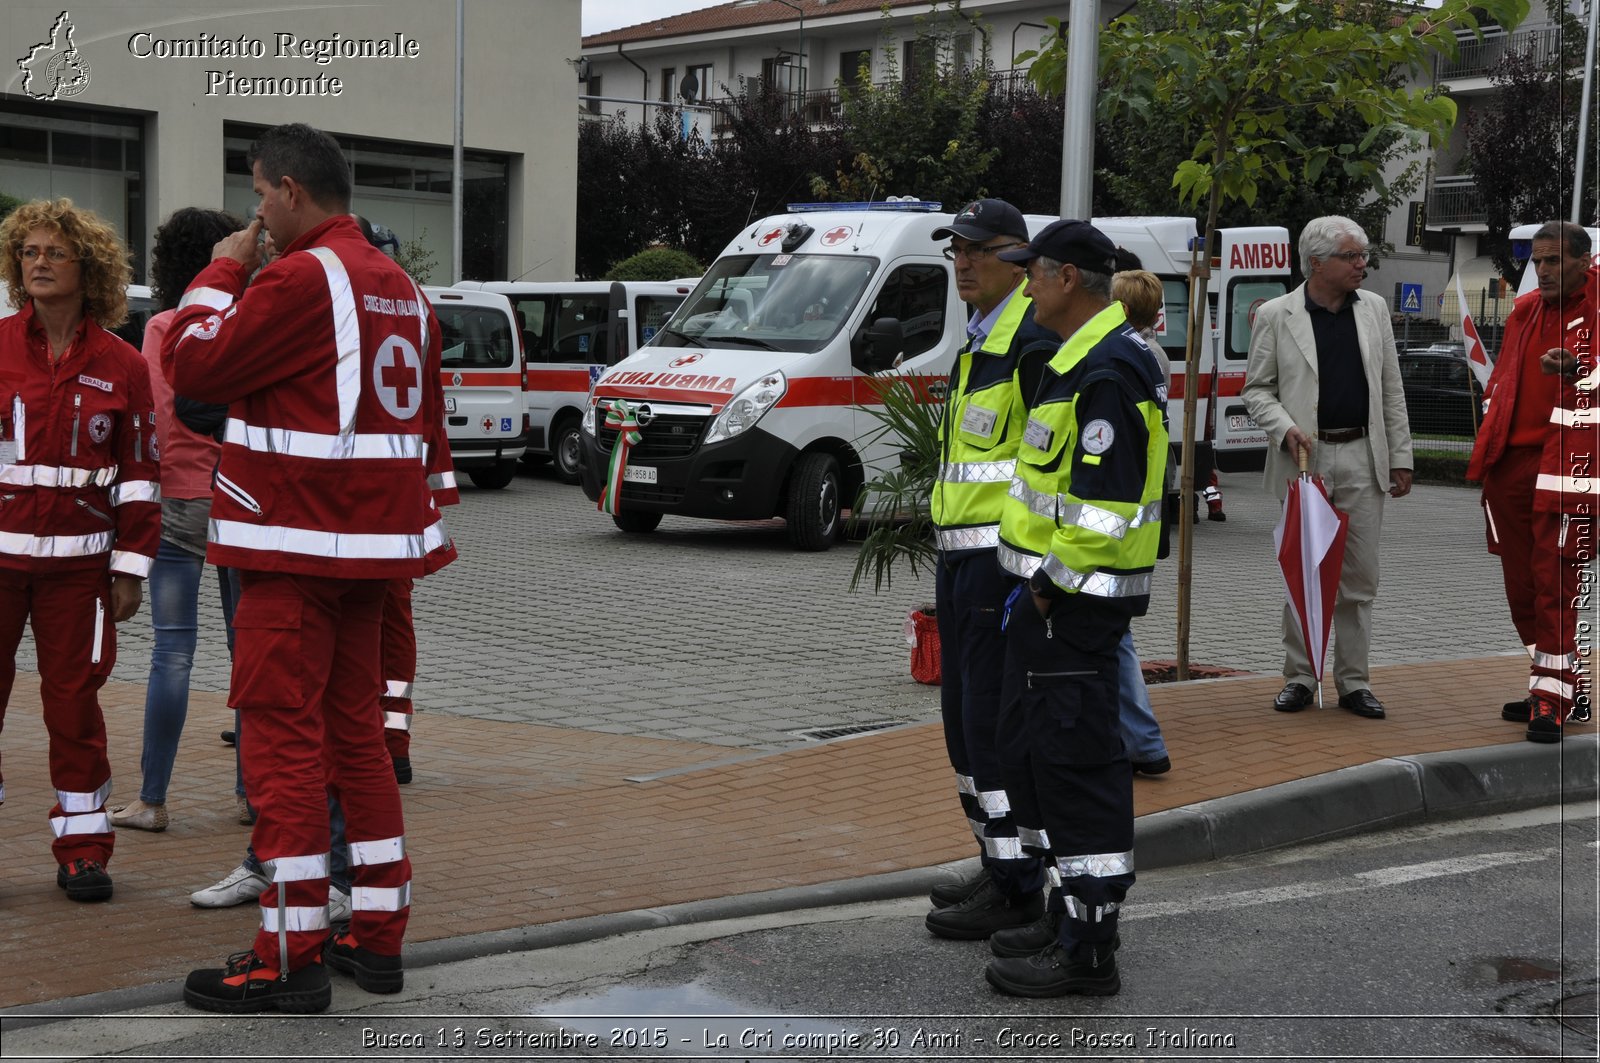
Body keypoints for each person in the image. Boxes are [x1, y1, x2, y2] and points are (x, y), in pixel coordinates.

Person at [163, 123, 455, 1014]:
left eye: (258, 195)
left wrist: (217, 271)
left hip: (294, 542)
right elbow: (425, 429)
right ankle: (379, 930)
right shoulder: (401, 285)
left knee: (284, 745)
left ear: (289, 190)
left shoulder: (300, 275)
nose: (255, 212)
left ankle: (287, 951)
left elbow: (192, 363)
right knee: (357, 740)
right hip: (369, 549)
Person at [984, 220, 1169, 998]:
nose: (1023, 284)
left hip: (1074, 608)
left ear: (1067, 280)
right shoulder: (1080, 361)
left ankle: (1091, 948)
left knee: (1080, 769)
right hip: (1052, 607)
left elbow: (1104, 511)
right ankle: (1068, 917)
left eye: (1032, 273)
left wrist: (1047, 586)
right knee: (1043, 763)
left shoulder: (1106, 370)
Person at [0, 198, 160, 901]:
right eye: (27, 253)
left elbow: (142, 472)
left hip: (79, 573)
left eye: (51, 253)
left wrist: (130, 570)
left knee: (73, 709)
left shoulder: (123, 363)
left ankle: (84, 847)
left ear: (86, 268)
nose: (37, 263)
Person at [922, 199, 1056, 941]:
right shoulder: (979, 342)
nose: (963, 263)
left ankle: (1016, 884)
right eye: (956, 251)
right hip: (961, 561)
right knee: (962, 731)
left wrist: (1029, 575)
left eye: (976, 250)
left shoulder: (1027, 340)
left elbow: (1045, 467)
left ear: (1018, 258)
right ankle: (996, 859)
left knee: (988, 728)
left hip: (999, 570)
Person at [1242, 215, 1413, 720]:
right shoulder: (1276, 314)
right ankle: (1298, 676)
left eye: (1363, 255)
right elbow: (1256, 390)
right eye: (1352, 256)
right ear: (1317, 263)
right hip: (1305, 462)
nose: (1363, 264)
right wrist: (1283, 425)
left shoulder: (1375, 309)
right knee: (1306, 570)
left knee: (1359, 578)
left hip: (1362, 455)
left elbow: (1391, 389)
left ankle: (1354, 683)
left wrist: (1401, 457)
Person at [108, 208, 244, 833]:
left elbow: (159, 418)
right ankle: (254, 796)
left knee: (172, 653)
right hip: (241, 502)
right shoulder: (245, 325)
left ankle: (152, 800)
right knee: (252, 654)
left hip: (176, 502)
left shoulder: (163, 328)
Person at [1467, 220, 1599, 743]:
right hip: (1511, 469)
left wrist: (1579, 369)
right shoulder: (1523, 312)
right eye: (1537, 261)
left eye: (1553, 261)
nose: (1541, 270)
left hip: (1568, 470)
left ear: (1583, 262)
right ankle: (1554, 683)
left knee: (1555, 587)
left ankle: (1552, 701)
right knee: (1522, 590)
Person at [1107, 267, 1175, 776]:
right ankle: (1135, 738)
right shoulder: (1157, 355)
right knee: (1116, 630)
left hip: (1124, 517)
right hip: (1147, 510)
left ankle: (1144, 741)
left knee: (1115, 634)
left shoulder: (1129, 354)